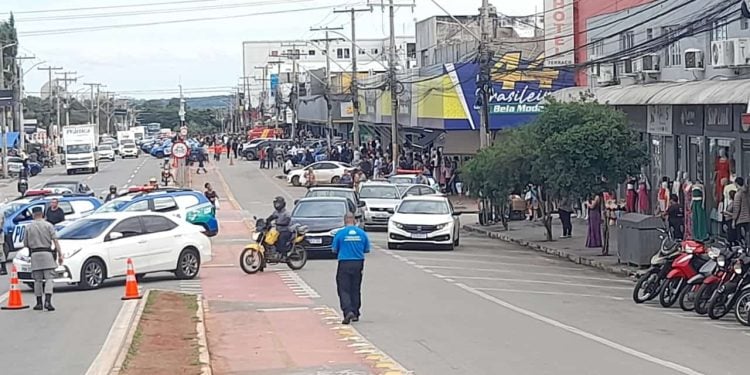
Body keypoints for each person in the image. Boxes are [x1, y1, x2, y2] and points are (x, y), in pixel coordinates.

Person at [332, 212, 370, 324]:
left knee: (343, 289)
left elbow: (334, 249)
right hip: (358, 263)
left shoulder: (340, 233)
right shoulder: (362, 234)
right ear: (354, 220)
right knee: (355, 288)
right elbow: (366, 249)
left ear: (345, 221)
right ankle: (356, 312)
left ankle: (348, 311)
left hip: (344, 262)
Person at [24, 206, 63, 311]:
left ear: (33, 215)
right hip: (47, 254)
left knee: (37, 280)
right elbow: (55, 241)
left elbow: (26, 243)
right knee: (49, 279)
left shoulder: (28, 227)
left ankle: (39, 303)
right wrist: (60, 255)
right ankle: (48, 301)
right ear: (42, 214)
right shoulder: (48, 225)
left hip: (35, 255)